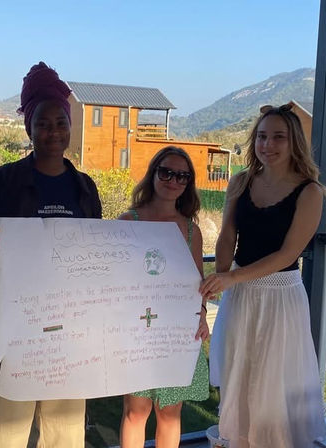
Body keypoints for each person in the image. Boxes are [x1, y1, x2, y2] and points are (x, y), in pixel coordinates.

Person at [0, 62, 102, 448]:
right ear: (28, 127)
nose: (53, 132)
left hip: (67, 335)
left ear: (70, 126)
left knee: (65, 436)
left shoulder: (85, 188)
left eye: (60, 122)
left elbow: (96, 265)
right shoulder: (2, 182)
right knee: (3, 434)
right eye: (42, 123)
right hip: (10, 333)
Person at [200, 104, 326, 448]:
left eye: (278, 137)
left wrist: (233, 278)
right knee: (239, 378)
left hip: (280, 297)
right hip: (240, 295)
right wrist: (220, 276)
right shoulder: (241, 181)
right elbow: (227, 235)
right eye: (262, 136)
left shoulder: (310, 192)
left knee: (273, 387)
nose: (268, 144)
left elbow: (288, 254)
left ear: (294, 142)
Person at [119, 146, 210, 448]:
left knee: (170, 412)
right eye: (166, 172)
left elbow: (197, 282)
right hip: (137, 330)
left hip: (176, 331)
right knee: (136, 410)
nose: (173, 181)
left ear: (189, 183)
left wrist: (201, 315)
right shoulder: (128, 221)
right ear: (153, 174)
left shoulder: (191, 230)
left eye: (182, 176)